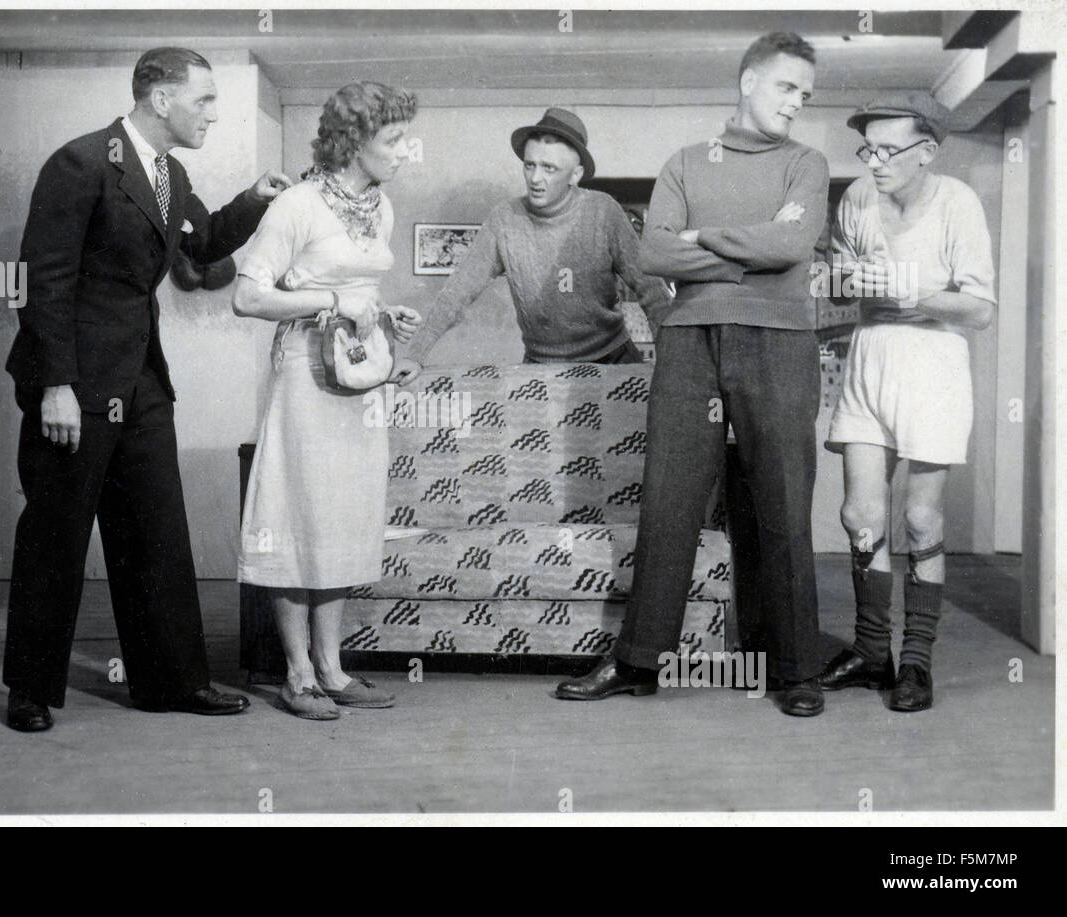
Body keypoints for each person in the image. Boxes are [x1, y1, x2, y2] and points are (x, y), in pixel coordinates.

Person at [2, 47, 292, 732]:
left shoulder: (170, 174)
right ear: (160, 100)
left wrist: (256, 199)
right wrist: (57, 386)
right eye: (205, 100)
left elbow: (205, 242)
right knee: (57, 535)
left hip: (142, 381)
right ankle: (30, 689)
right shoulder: (79, 163)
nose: (214, 114)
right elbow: (44, 283)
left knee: (158, 533)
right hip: (75, 382)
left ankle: (171, 682)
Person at [555, 32, 830, 716]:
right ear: (747, 82)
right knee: (668, 500)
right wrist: (748, 254)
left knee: (783, 505)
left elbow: (792, 243)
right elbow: (653, 254)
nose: (796, 103)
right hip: (687, 344)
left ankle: (797, 669)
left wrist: (701, 241)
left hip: (778, 341)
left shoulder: (807, 163)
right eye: (786, 87)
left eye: (805, 93)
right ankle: (640, 660)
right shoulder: (684, 162)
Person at [233, 82, 424, 721]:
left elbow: (359, 287)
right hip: (304, 374)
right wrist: (331, 301)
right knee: (298, 514)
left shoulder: (382, 207)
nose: (405, 151)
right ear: (353, 141)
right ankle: (296, 674)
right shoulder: (298, 205)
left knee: (343, 516)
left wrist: (381, 311)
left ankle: (334, 670)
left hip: (358, 377)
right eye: (393, 139)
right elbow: (249, 297)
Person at [818, 92, 995, 712]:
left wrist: (913, 289)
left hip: (934, 364)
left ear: (927, 152)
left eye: (889, 149)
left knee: (920, 519)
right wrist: (844, 280)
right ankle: (873, 654)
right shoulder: (859, 198)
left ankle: (916, 661)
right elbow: (838, 280)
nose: (875, 160)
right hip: (870, 357)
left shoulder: (957, 202)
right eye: (868, 148)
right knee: (859, 515)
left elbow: (980, 309)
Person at [394, 107, 672, 376]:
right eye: (530, 165)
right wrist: (414, 354)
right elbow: (458, 291)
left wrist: (673, 358)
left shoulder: (604, 211)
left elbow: (651, 288)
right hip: (541, 365)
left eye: (549, 168)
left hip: (614, 359)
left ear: (575, 175)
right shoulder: (504, 220)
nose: (536, 178)